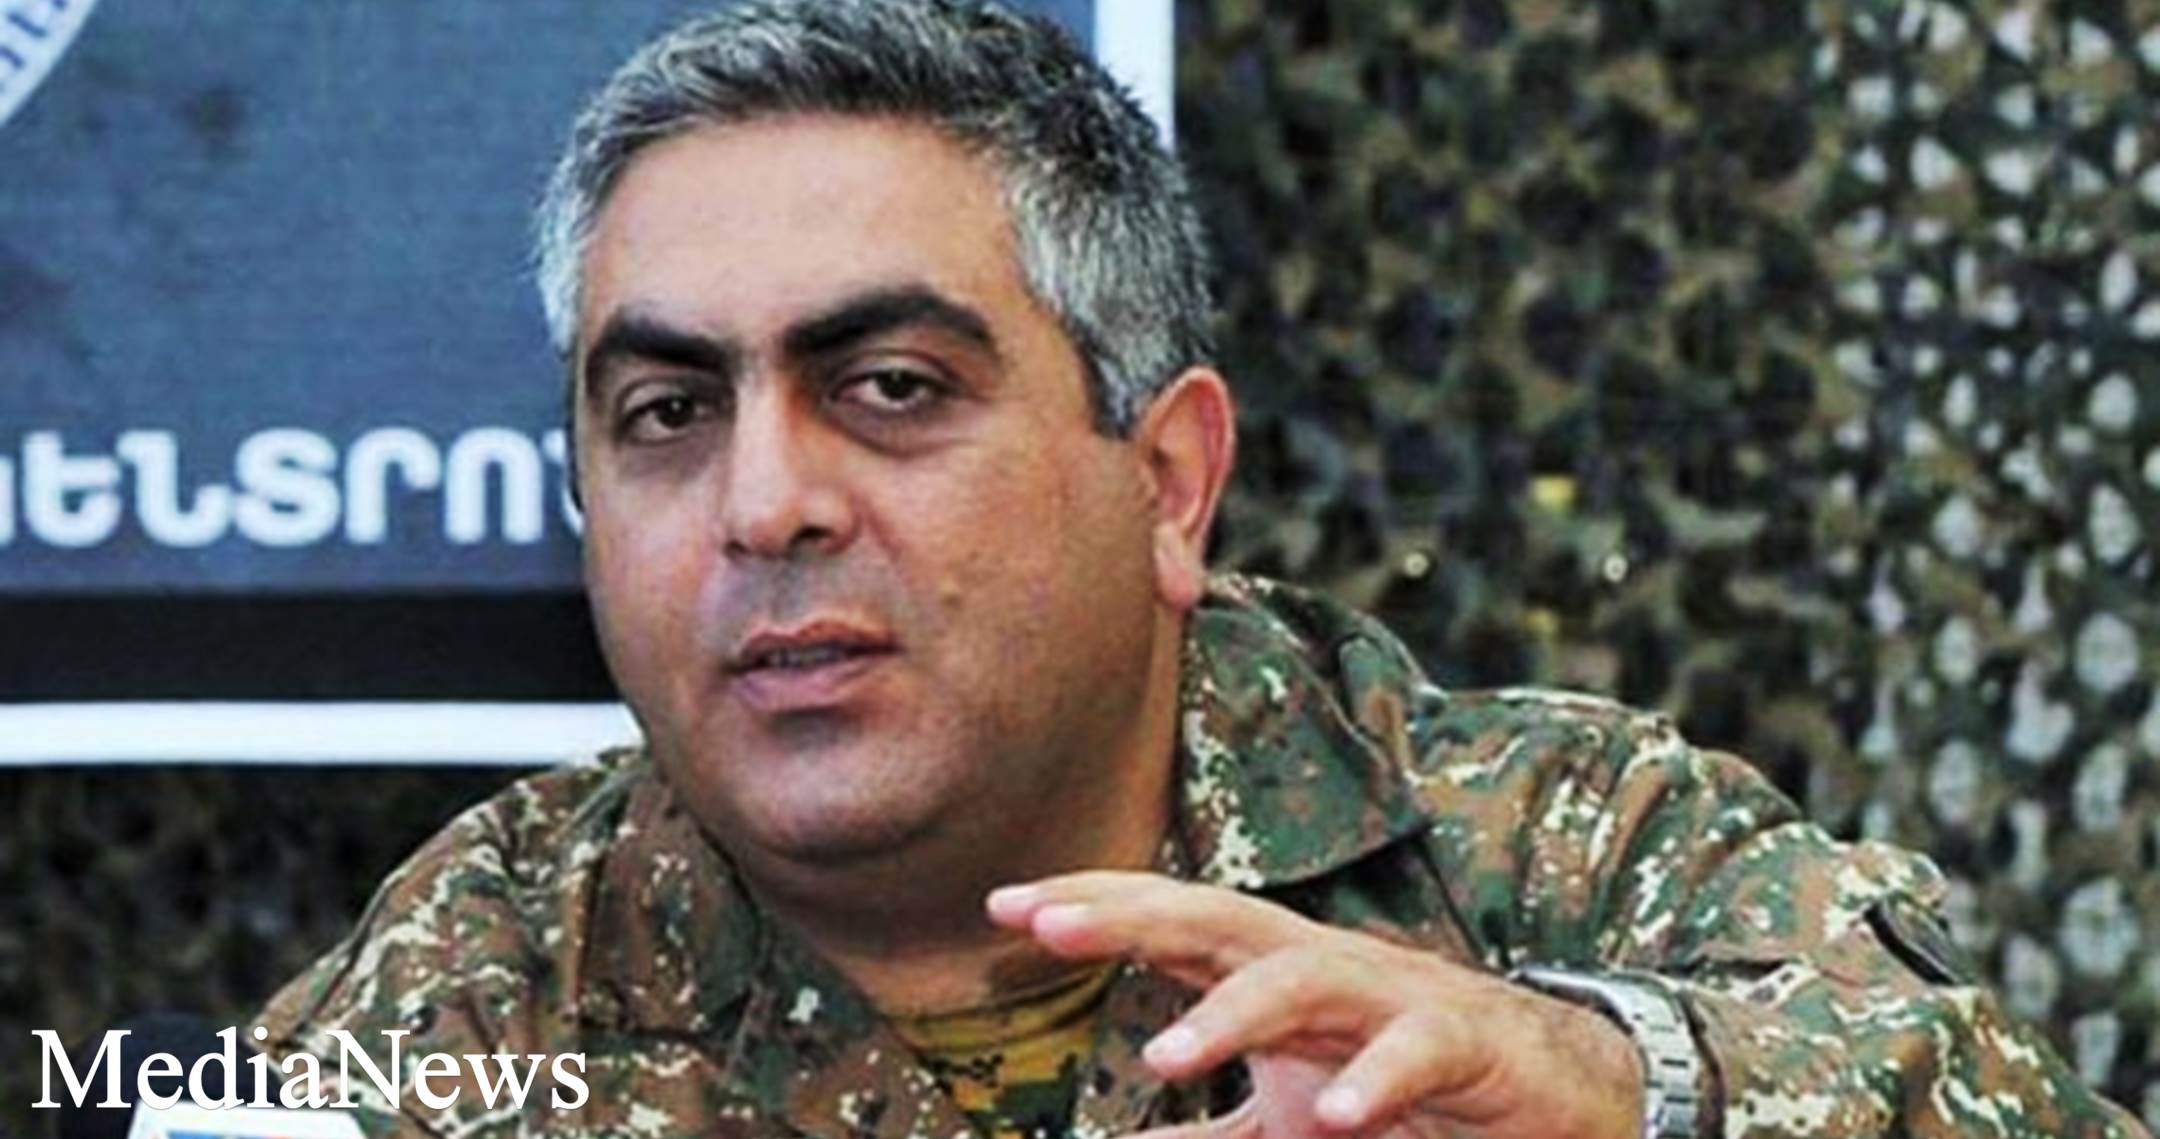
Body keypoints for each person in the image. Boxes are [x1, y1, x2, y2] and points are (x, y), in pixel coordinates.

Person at [253, 2, 2150, 1137]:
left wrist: (1599, 1084)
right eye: (667, 411)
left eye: (890, 387)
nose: (764, 504)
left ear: (1168, 481)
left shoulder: (1543, 846)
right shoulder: (472, 987)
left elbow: (1979, 1091)